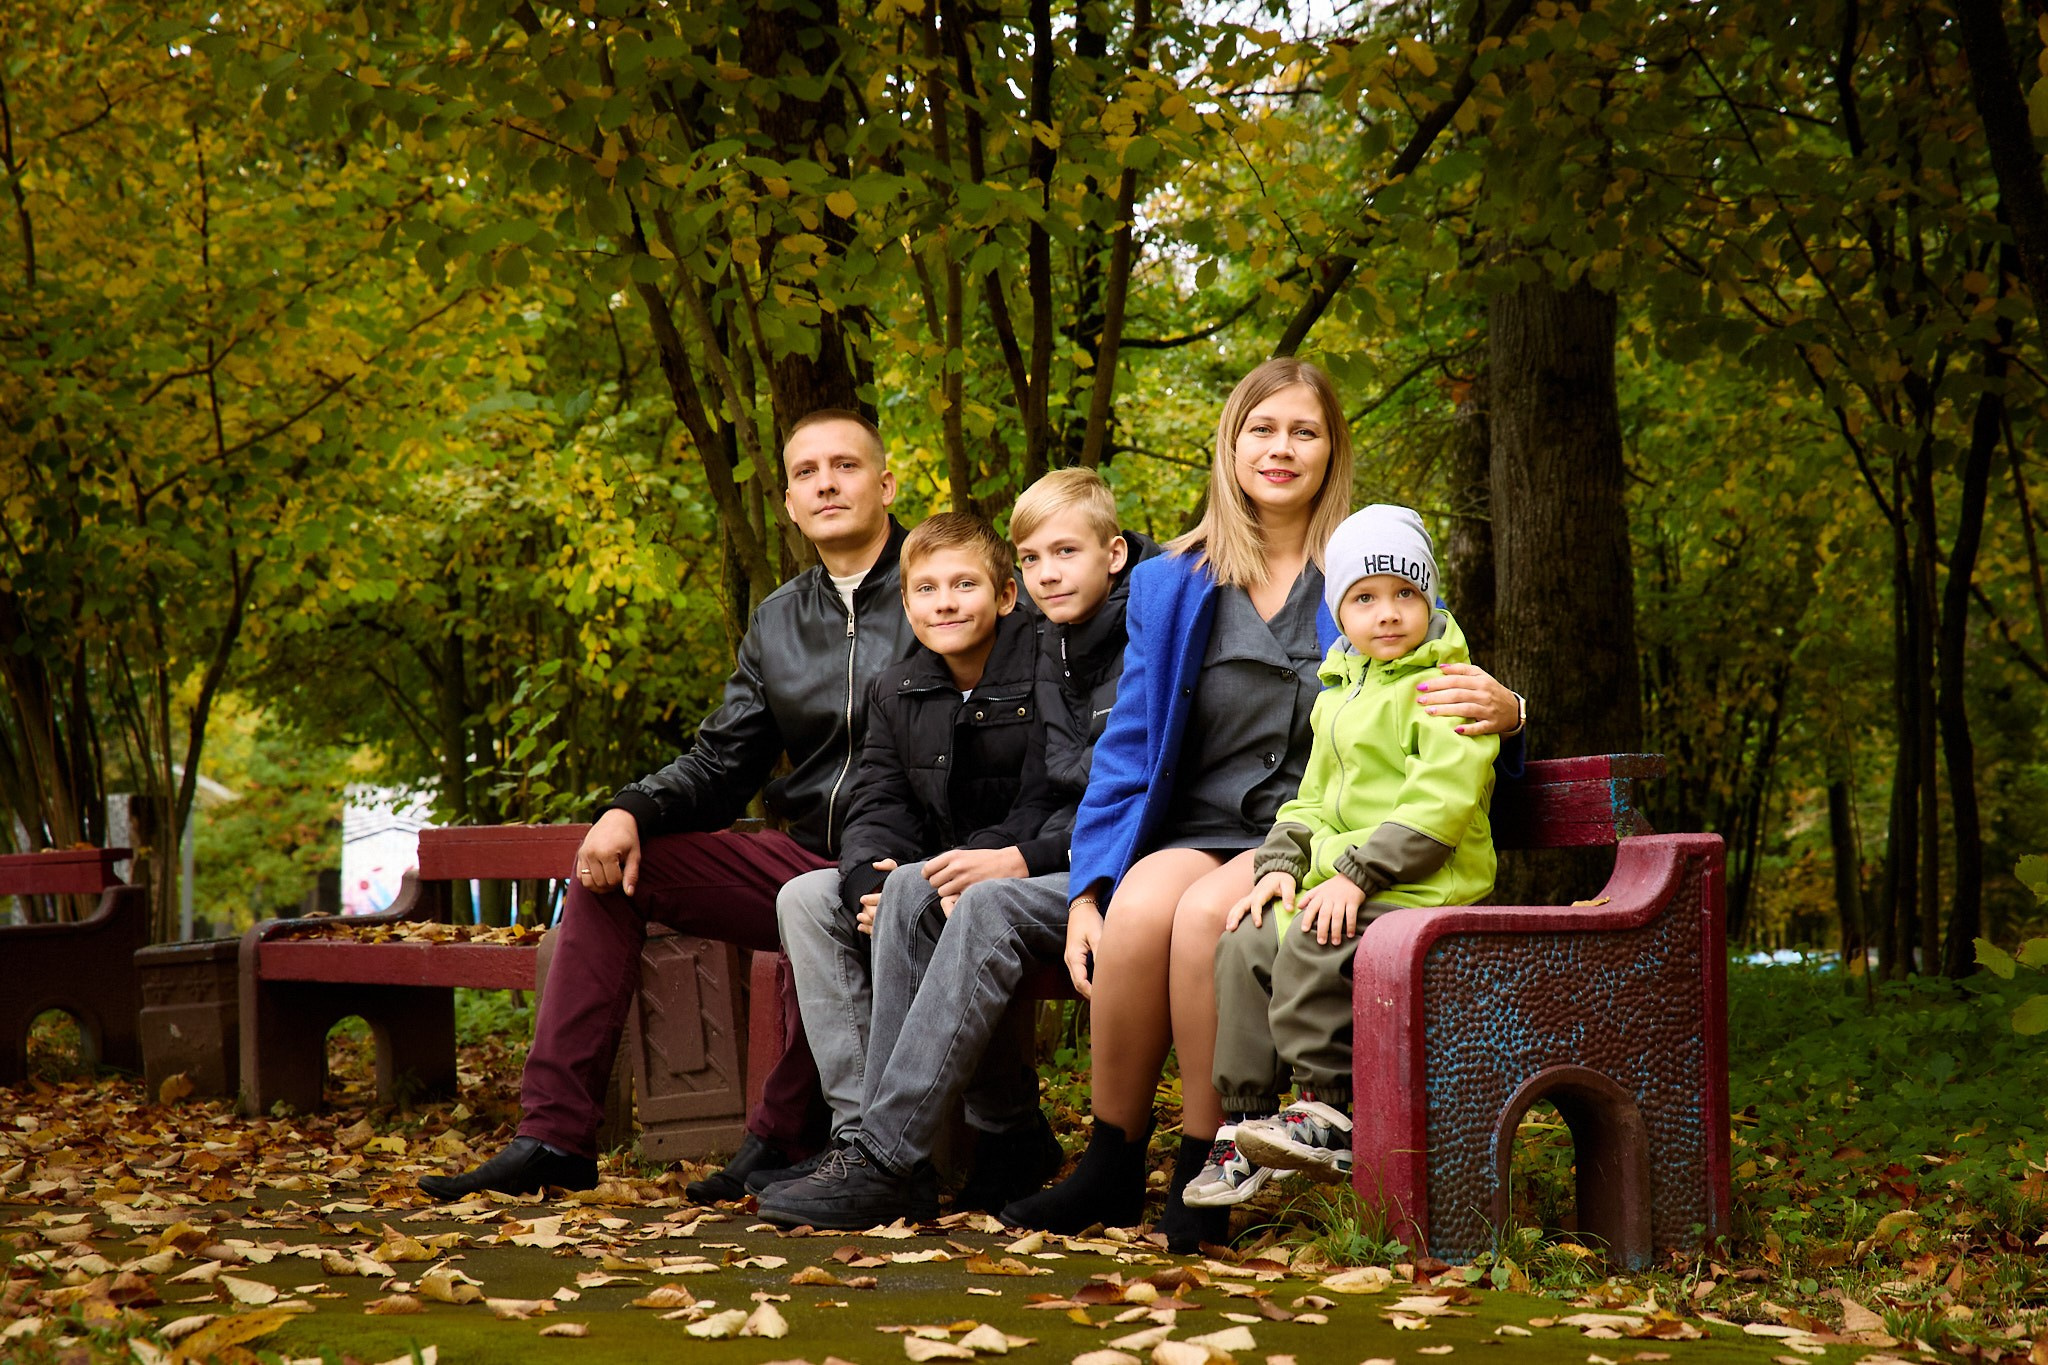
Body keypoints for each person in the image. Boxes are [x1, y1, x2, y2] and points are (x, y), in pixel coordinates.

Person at [1000, 358, 1524, 1251]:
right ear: (1231, 445)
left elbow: (1443, 715)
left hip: (1313, 828)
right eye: (1263, 429)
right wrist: (1088, 887)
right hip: (1200, 822)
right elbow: (1128, 745)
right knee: (1138, 912)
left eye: (1305, 431)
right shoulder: (1173, 581)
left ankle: (1206, 1167)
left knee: (1211, 915)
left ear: (1332, 450)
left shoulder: (1374, 572)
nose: (1282, 448)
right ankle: (1110, 1160)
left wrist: (1511, 714)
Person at [418, 410, 919, 1202]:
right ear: (788, 502)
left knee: (829, 912)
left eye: (846, 466)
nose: (826, 482)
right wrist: (629, 810)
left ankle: (781, 1138)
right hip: (800, 854)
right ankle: (553, 1134)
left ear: (885, 483)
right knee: (612, 873)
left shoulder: (940, 586)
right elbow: (723, 761)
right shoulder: (781, 617)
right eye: (805, 472)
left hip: (906, 861)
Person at [758, 469, 1159, 1229]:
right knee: (813, 894)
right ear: (904, 604)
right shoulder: (898, 684)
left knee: (946, 894)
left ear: (1003, 595)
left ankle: (893, 1152)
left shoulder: (1047, 654)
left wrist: (1000, 857)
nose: (944, 602)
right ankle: (864, 1137)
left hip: (1047, 863)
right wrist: (861, 882)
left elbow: (1055, 793)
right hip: (977, 862)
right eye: (926, 589)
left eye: (964, 584)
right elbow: (877, 799)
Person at [1183, 504, 1498, 1208]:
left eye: (1405, 594)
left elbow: (1437, 808)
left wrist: (1355, 874)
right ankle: (1248, 1121)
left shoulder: (1446, 687)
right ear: (1341, 611)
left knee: (1313, 935)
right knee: (1246, 936)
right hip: (1349, 879)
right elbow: (1309, 801)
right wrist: (1277, 869)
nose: (1387, 613)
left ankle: (1330, 1108)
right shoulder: (1340, 695)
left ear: (1429, 599)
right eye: (1364, 598)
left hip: (1420, 880)